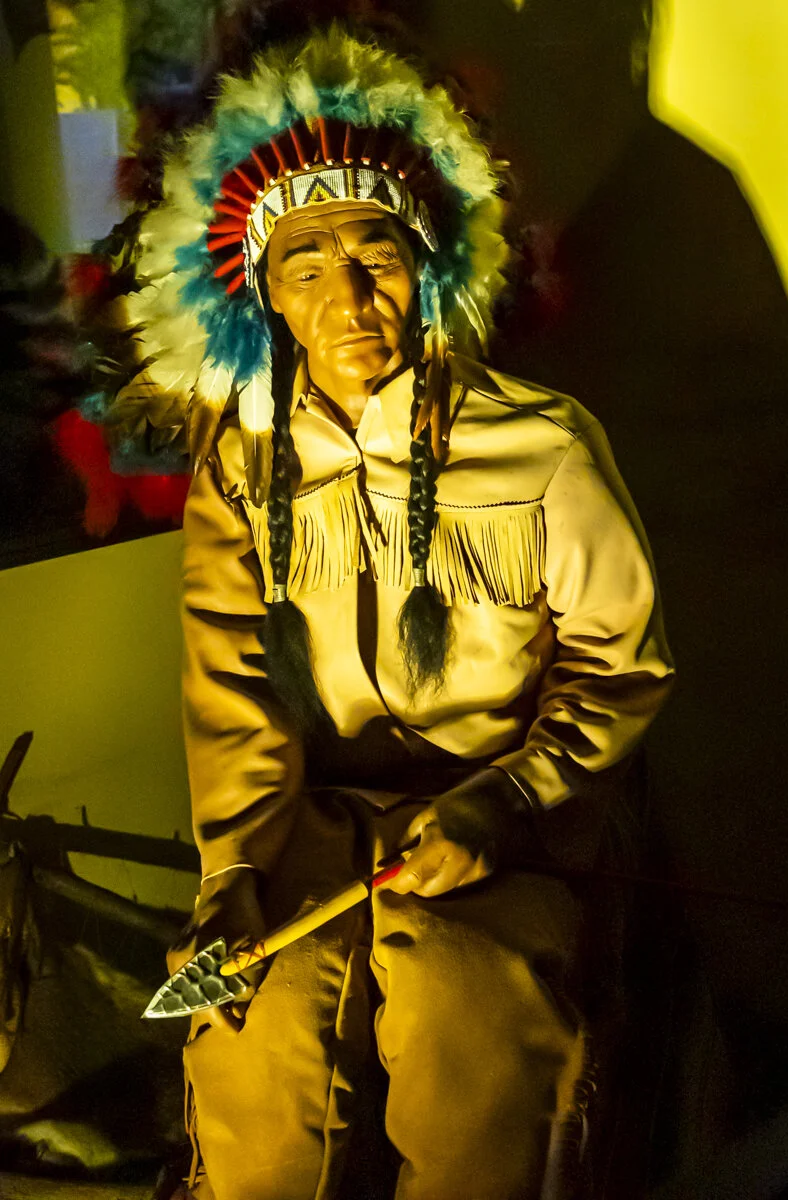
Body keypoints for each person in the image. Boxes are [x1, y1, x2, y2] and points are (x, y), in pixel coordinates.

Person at [99, 27, 672, 1200]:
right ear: (261, 296)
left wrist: (507, 800)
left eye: (376, 258)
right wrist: (234, 878)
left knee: (466, 1018)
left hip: (509, 824)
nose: (350, 301)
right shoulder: (242, 468)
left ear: (431, 266)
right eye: (305, 269)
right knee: (255, 1037)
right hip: (308, 832)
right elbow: (234, 696)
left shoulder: (544, 446)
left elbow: (617, 669)